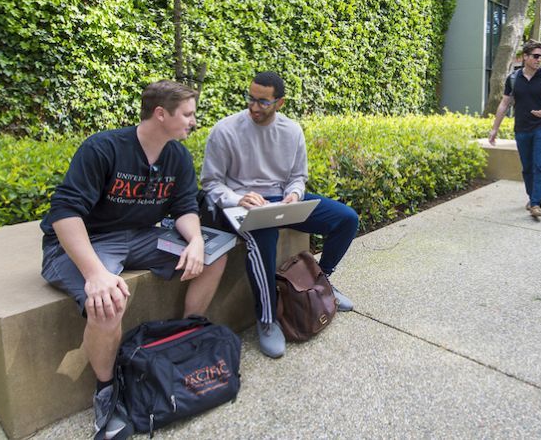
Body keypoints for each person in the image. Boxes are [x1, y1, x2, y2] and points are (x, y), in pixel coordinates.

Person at [40, 80, 226, 439]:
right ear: (161, 114)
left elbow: (185, 208)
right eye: (188, 114)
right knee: (109, 300)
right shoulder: (104, 148)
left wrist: (197, 241)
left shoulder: (177, 156)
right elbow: (64, 213)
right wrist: (94, 273)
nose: (193, 121)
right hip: (88, 242)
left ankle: (186, 335)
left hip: (140, 237)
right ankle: (108, 393)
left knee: (217, 253)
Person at [201, 71, 359, 359]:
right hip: (241, 205)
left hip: (282, 201)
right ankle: (267, 318)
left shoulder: (291, 131)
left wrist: (295, 195)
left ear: (280, 102)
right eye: (250, 98)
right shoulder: (225, 130)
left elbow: (298, 177)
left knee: (346, 219)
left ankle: (321, 282)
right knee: (264, 235)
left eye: (263, 101)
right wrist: (239, 197)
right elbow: (211, 183)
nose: (254, 106)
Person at [488, 40, 541, 220]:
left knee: (540, 166)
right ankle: (532, 197)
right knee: (527, 168)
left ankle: (536, 203)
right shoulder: (513, 78)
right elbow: (504, 104)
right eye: (536, 56)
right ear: (525, 57)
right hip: (522, 129)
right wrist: (494, 129)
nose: (539, 59)